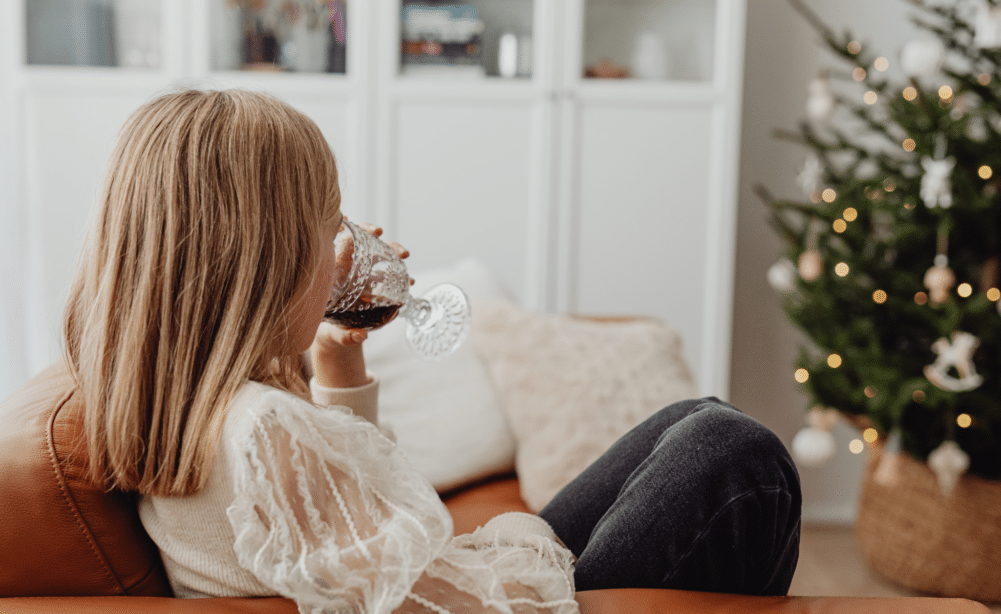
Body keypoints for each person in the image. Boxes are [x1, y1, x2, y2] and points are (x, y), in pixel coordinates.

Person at [61, 88, 800, 614]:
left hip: (450, 579)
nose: (345, 244)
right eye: (329, 223)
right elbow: (427, 601)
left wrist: (339, 357)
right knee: (733, 452)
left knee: (694, 418)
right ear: (266, 258)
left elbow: (346, 535)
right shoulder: (264, 431)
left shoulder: (195, 403)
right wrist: (524, 536)